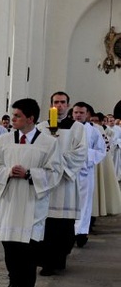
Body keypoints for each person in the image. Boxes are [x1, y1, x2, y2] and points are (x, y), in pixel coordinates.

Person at [0, 98, 61, 287]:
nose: (13, 119)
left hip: (31, 203)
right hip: (9, 201)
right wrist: (8, 172)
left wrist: (29, 173)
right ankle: (13, 280)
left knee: (28, 251)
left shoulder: (49, 143)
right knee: (10, 248)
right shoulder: (4, 141)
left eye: (17, 116)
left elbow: (55, 173)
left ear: (31, 118)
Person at [36, 91, 87, 276]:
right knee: (46, 223)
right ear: (51, 104)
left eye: (63, 102)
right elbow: (36, 151)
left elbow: (81, 153)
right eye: (56, 102)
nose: (59, 105)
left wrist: (58, 162)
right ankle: (45, 262)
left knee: (62, 226)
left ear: (68, 105)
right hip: (46, 183)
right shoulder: (42, 127)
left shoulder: (77, 128)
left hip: (65, 184)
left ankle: (60, 259)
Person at [72, 102, 106, 247]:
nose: (78, 115)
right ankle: (69, 232)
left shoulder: (94, 131)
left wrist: (85, 154)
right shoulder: (67, 128)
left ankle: (81, 233)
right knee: (69, 203)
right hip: (69, 172)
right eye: (76, 112)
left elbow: (101, 151)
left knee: (84, 204)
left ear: (87, 114)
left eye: (81, 112)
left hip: (85, 172)